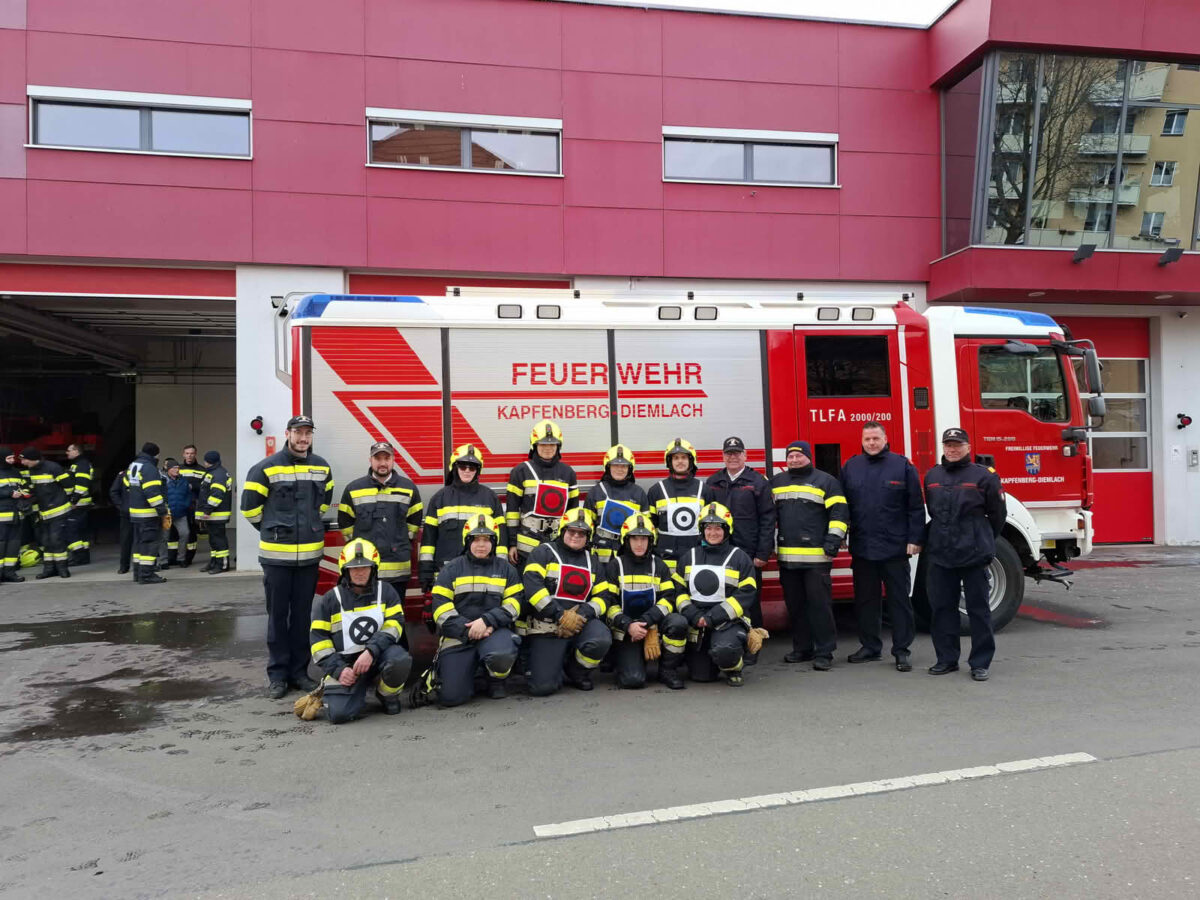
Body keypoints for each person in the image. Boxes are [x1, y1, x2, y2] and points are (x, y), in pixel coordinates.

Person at [240, 415, 334, 700]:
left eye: (307, 433)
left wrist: (309, 527)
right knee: (278, 617)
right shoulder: (265, 468)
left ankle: (299, 672)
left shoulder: (321, 467)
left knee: (303, 617)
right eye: (298, 432)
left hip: (309, 558)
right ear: (287, 434)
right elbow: (249, 509)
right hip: (276, 558)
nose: (303, 438)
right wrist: (271, 528)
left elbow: (324, 501)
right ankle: (278, 675)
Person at [839, 421, 924, 672]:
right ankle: (870, 647)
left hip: (895, 548)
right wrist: (841, 532)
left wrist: (915, 539)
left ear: (885, 439)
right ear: (862, 441)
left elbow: (916, 507)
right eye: (867, 439)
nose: (872, 443)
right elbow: (841, 505)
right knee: (866, 602)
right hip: (863, 547)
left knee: (899, 602)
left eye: (876, 438)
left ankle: (902, 651)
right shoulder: (851, 467)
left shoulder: (902, 466)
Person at [923, 428, 1006, 682]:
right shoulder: (932, 475)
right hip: (940, 553)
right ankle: (946, 659)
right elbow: (933, 511)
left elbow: (997, 516)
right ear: (943, 447)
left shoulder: (984, 476)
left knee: (978, 610)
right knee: (942, 609)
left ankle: (980, 663)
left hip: (973, 553)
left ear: (968, 447)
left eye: (958, 444)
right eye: (948, 444)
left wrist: (981, 539)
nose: (953, 449)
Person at [418, 513, 522, 707]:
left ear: (494, 542)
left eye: (486, 539)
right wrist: (469, 631)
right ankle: (469, 675)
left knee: (502, 654)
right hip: (458, 635)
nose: (481, 545)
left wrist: (488, 622)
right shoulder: (450, 569)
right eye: (475, 539)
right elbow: (440, 609)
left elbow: (515, 604)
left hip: (494, 631)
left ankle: (495, 680)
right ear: (467, 541)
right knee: (451, 697)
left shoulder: (507, 569)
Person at [308, 538, 411, 723]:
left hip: (378, 655)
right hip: (347, 664)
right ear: (345, 570)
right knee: (338, 715)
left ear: (374, 568)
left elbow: (395, 625)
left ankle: (386, 694)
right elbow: (318, 642)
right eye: (354, 568)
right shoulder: (330, 600)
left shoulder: (386, 592)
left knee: (400, 660)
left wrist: (371, 651)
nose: (360, 572)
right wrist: (339, 670)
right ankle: (350, 692)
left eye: (365, 567)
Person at [771, 440, 847, 671]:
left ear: (808, 457)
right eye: (790, 457)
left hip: (817, 559)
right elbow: (767, 518)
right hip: (787, 559)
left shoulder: (826, 481)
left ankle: (825, 652)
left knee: (819, 606)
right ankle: (802, 648)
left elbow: (840, 514)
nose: (794, 460)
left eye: (798, 456)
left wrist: (832, 542)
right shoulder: (777, 483)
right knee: (796, 607)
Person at [521, 507, 611, 695]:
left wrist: (579, 615)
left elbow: (603, 598)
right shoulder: (543, 552)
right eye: (572, 531)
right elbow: (533, 590)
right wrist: (560, 615)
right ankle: (553, 664)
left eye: (582, 533)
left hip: (580, 624)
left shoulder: (592, 561)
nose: (576, 536)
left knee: (601, 639)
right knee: (542, 688)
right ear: (563, 530)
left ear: (588, 536)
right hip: (547, 625)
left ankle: (577, 671)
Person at [703, 436, 774, 660]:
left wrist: (763, 553)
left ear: (745, 455)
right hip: (720, 553)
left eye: (737, 453)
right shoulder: (713, 481)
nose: (732, 457)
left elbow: (768, 519)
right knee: (723, 600)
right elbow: (704, 519)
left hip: (748, 554)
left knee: (750, 601)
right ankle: (729, 643)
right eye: (728, 453)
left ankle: (754, 646)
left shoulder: (758, 481)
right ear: (723, 456)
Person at [673, 502, 758, 686]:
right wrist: (694, 615)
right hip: (697, 623)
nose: (713, 533)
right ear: (701, 530)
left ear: (727, 530)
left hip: (727, 623)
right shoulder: (690, 556)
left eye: (718, 528)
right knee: (701, 676)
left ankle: (735, 667)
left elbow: (746, 594)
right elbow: (678, 592)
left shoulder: (739, 557)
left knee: (725, 651)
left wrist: (713, 617)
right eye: (708, 528)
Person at [603, 513, 688, 690]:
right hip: (626, 630)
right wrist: (629, 625)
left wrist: (648, 623)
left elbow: (668, 599)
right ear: (627, 540)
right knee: (632, 680)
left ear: (651, 540)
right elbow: (609, 603)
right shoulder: (615, 566)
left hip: (652, 623)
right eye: (635, 538)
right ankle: (623, 661)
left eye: (644, 539)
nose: (640, 544)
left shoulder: (659, 565)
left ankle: (667, 670)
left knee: (678, 623)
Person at [418, 444, 506, 592]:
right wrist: (426, 572)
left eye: (472, 467)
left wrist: (503, 567)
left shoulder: (490, 497)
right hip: (446, 572)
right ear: (454, 468)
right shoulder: (440, 498)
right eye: (462, 466)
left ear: (478, 470)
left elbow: (501, 538)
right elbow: (428, 540)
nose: (467, 471)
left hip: (483, 573)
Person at [337, 441, 422, 589]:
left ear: (393, 460)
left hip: (398, 568)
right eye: (378, 459)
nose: (382, 463)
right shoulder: (353, 489)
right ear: (370, 460)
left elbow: (414, 523)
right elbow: (345, 524)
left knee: (395, 610)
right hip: (365, 567)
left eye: (387, 458)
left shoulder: (408, 488)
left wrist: (400, 541)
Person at [506, 420, 578, 570]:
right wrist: (512, 543)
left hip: (558, 543)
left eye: (552, 444)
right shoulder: (520, 471)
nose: (548, 448)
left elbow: (573, 512)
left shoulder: (568, 473)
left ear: (558, 446)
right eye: (543, 444)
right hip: (526, 545)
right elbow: (512, 512)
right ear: (534, 445)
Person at [647, 437, 705, 575]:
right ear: (669, 462)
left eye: (684, 457)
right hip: (665, 560)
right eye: (676, 458)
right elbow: (651, 526)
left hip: (696, 558)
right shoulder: (656, 490)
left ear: (691, 461)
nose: (680, 461)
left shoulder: (704, 490)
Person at [583, 444, 648, 562]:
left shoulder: (639, 493)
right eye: (615, 465)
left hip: (629, 552)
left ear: (630, 468)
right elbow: (587, 525)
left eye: (624, 465)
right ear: (608, 467)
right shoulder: (596, 492)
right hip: (601, 552)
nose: (619, 469)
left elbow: (647, 527)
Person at [20, 446, 73, 580]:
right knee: (46, 541)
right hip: (44, 512)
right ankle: (49, 569)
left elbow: (69, 486)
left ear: (33, 459)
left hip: (58, 510)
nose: (22, 463)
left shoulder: (53, 467)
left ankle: (62, 569)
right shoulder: (31, 470)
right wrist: (26, 498)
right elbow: (32, 489)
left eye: (24, 460)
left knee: (56, 539)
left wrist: (61, 501)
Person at [124, 442, 168, 584]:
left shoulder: (133, 465)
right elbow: (152, 493)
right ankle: (147, 575)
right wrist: (162, 511)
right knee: (149, 544)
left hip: (136, 513)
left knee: (139, 544)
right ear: (156, 454)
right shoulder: (150, 468)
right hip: (148, 514)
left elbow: (127, 485)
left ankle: (138, 573)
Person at [197, 450, 233, 574]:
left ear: (208, 462)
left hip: (217, 514)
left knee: (219, 540)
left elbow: (217, 495)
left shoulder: (218, 474)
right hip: (213, 515)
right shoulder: (214, 472)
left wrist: (207, 510)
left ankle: (222, 565)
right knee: (213, 540)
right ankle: (214, 561)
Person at [159, 459, 193, 569]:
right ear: (168, 469)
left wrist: (185, 505)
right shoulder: (162, 480)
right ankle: (163, 561)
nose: (176, 470)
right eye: (173, 468)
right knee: (164, 537)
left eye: (177, 468)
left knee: (185, 533)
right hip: (166, 515)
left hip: (180, 514)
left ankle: (181, 559)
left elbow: (188, 495)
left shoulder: (184, 481)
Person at [65, 443, 94, 566]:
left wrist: (73, 501)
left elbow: (81, 485)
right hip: (82, 503)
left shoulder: (81, 464)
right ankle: (84, 557)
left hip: (78, 504)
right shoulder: (79, 464)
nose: (67, 452)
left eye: (69, 450)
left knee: (71, 531)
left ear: (77, 451)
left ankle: (78, 557)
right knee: (82, 531)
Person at [0, 448, 25, 582]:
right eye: (8, 458)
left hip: (16, 515)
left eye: (12, 458)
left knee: (13, 546)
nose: (12, 461)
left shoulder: (16, 472)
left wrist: (25, 494)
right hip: (2, 515)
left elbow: (24, 487)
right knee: (1, 545)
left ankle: (10, 573)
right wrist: (9, 494)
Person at [178, 445, 206, 567]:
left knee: (191, 533)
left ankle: (188, 558)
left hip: (193, 506)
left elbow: (205, 488)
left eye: (192, 453)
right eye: (187, 453)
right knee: (176, 534)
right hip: (178, 506)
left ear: (195, 454)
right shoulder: (178, 469)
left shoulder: (202, 470)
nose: (189, 456)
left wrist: (193, 487)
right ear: (183, 454)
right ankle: (174, 557)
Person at [108, 467, 133, 575]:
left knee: (144, 541)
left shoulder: (146, 473)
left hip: (143, 513)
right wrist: (121, 506)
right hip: (126, 514)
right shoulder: (123, 475)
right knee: (126, 541)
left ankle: (146, 566)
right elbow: (114, 491)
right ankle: (124, 566)